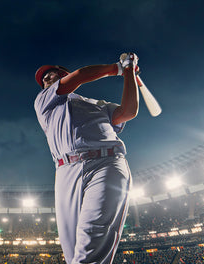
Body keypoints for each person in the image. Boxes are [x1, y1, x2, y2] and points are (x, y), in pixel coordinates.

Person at [33, 53, 139, 264]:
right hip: (65, 171)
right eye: (43, 79)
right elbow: (80, 75)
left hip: (106, 163)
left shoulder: (98, 104)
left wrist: (128, 74)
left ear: (63, 74)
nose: (45, 80)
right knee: (72, 253)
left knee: (91, 241)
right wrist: (117, 68)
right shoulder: (44, 100)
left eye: (50, 74)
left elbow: (128, 111)